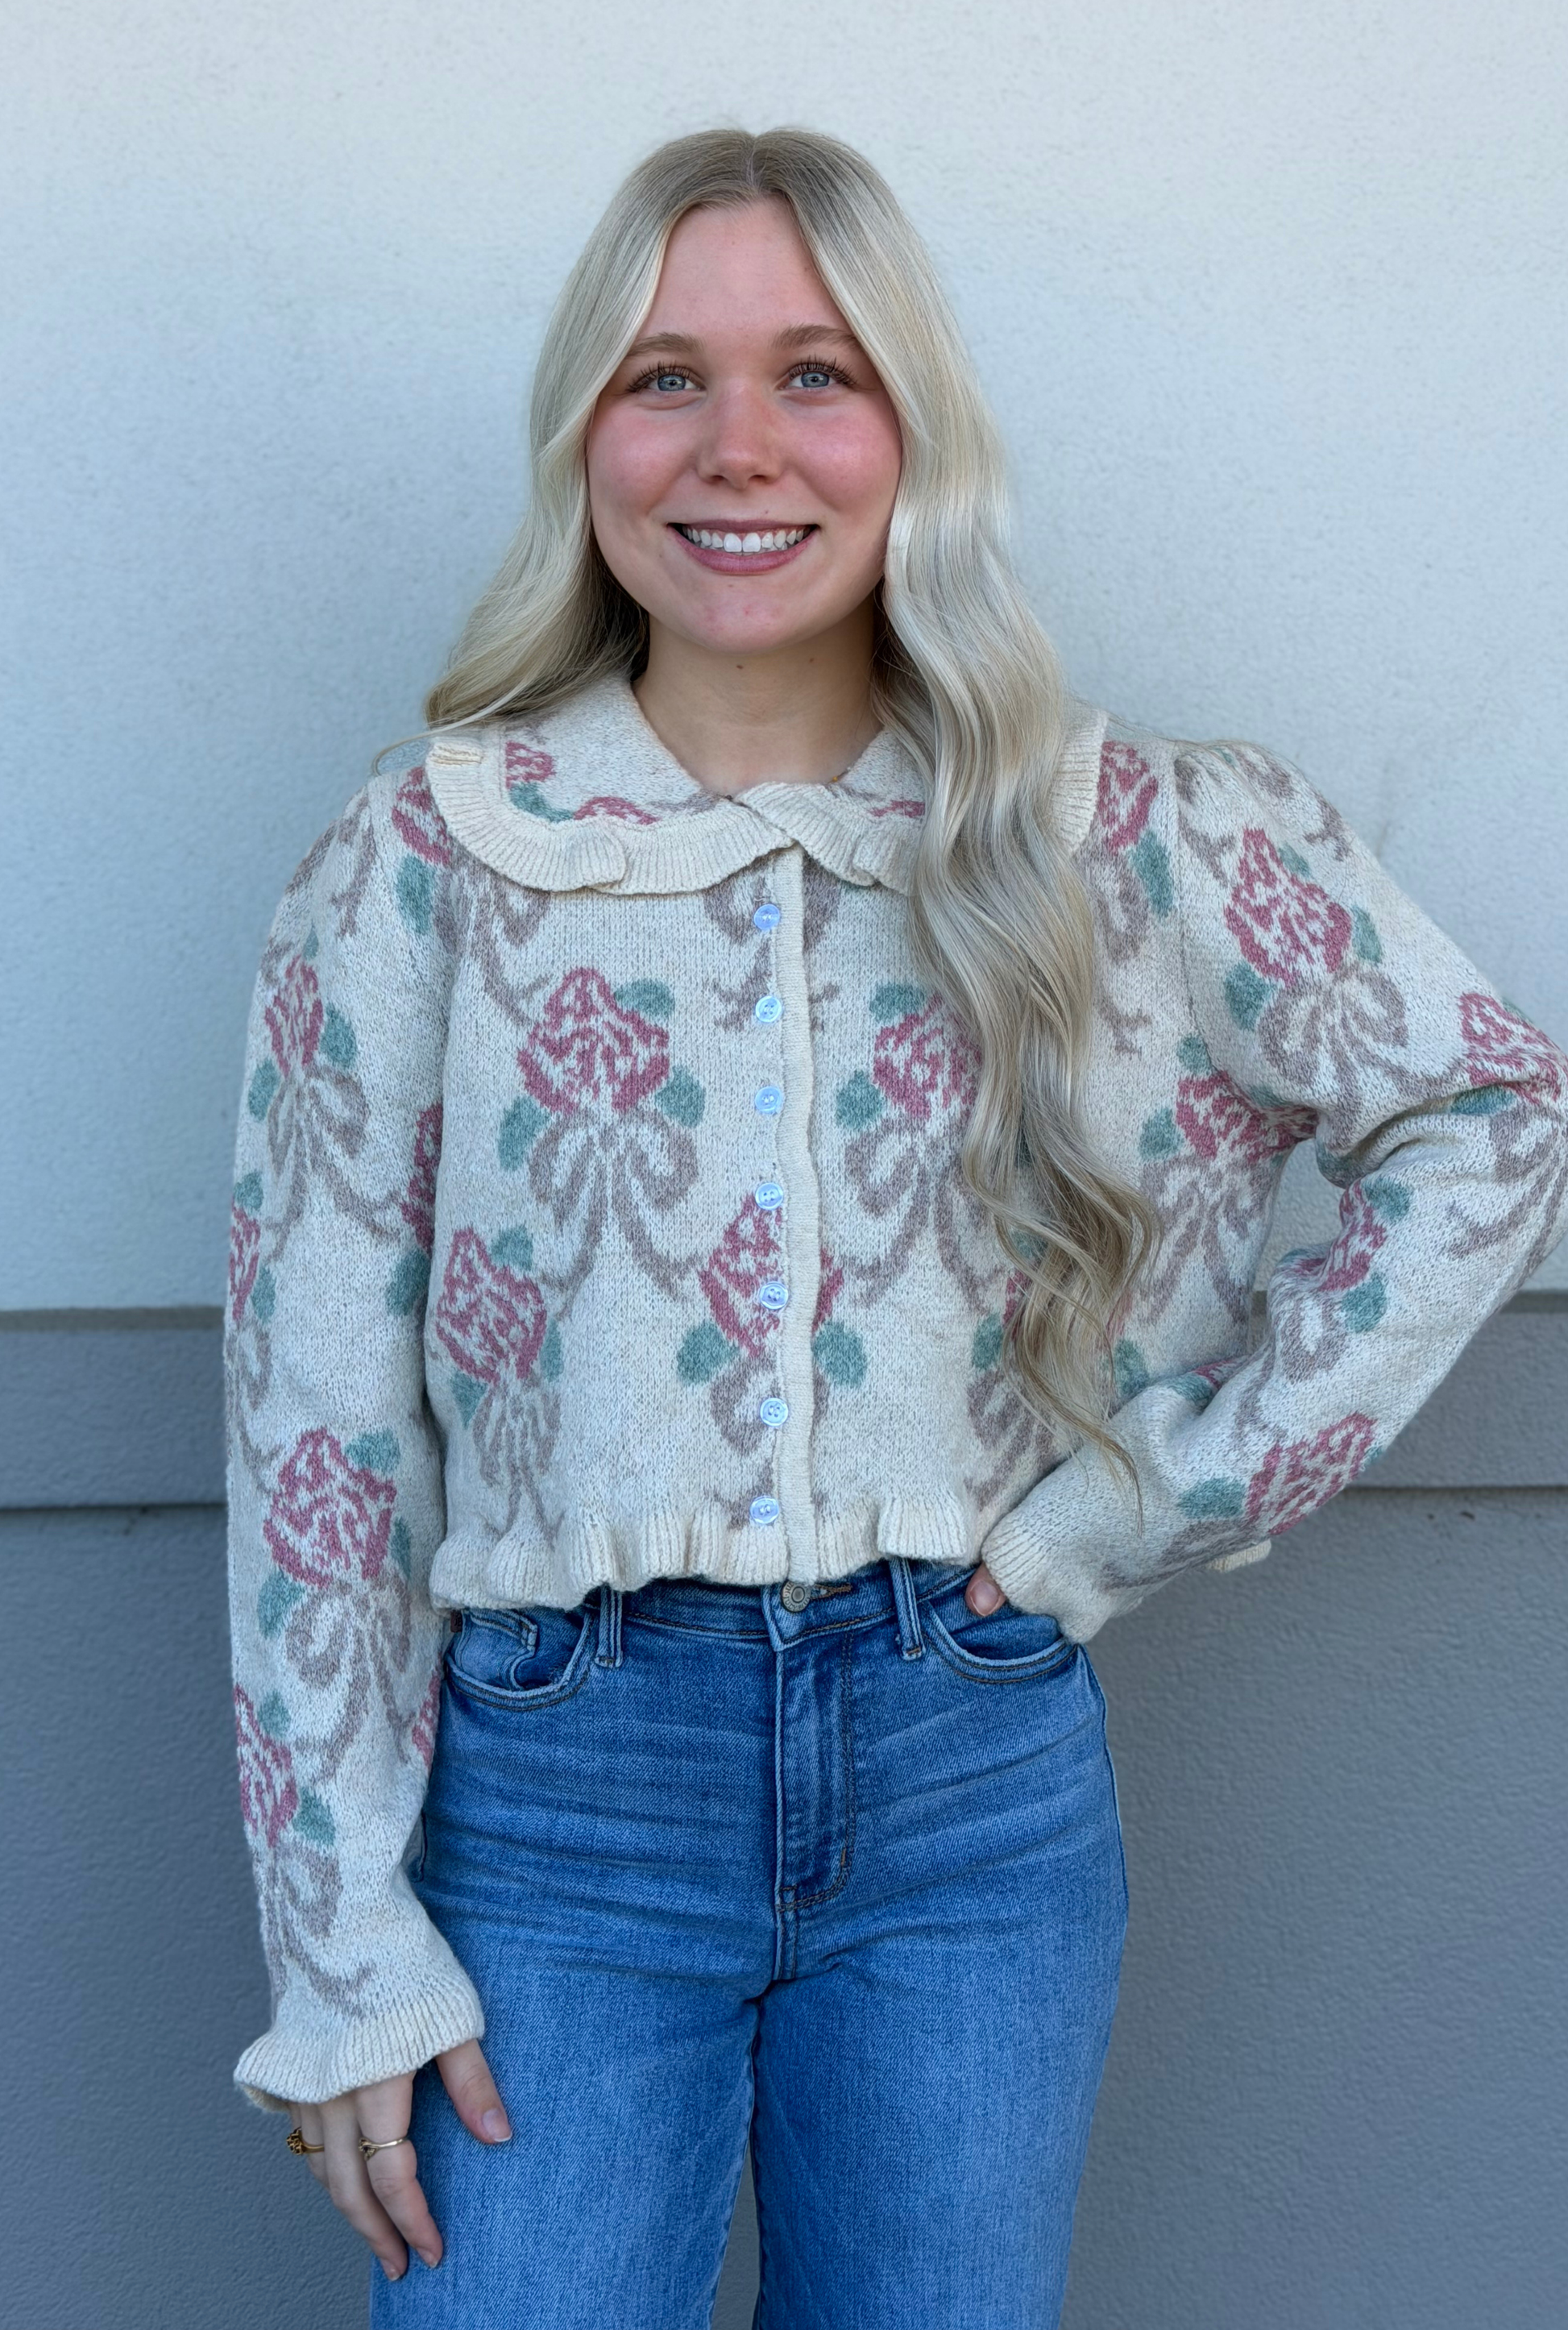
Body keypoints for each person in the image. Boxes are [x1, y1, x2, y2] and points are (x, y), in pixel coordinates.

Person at [225, 126, 1568, 2328]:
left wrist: (1131, 1510)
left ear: (915, 428)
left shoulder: (1105, 833)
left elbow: (1486, 1104)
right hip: (557, 1804)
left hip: (970, 1787)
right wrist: (344, 1949)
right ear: (581, 431)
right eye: (664, 376)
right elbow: (319, 1425)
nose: (737, 447)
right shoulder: (432, 860)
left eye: (816, 374)